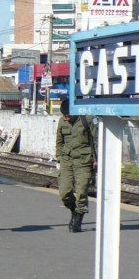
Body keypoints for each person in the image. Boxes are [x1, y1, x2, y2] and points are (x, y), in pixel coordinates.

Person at [55, 98, 96, 232]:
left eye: (68, 115)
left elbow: (95, 140)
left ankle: (77, 220)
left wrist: (96, 159)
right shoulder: (62, 121)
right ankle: (74, 209)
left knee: (82, 191)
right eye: (64, 116)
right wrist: (59, 158)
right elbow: (59, 141)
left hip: (84, 160)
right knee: (64, 192)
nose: (66, 118)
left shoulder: (87, 119)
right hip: (67, 159)